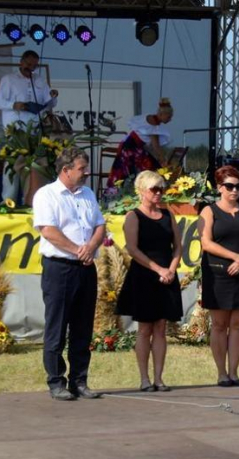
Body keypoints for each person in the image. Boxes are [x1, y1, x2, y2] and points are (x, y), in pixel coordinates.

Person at [32, 147, 104, 401]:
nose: (86, 173)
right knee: (57, 326)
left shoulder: (87, 194)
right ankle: (56, 381)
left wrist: (91, 247)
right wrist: (76, 250)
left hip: (85, 269)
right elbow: (48, 230)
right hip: (59, 268)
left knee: (83, 327)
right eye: (81, 169)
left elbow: (100, 225)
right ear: (66, 170)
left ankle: (79, 380)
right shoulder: (47, 195)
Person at [116, 170, 183, 392]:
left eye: (161, 189)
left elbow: (178, 246)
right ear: (142, 191)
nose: (159, 193)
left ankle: (159, 378)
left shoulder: (167, 214)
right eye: (154, 189)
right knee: (145, 329)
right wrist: (158, 269)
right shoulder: (133, 216)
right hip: (144, 275)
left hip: (167, 276)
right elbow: (132, 249)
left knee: (161, 328)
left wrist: (171, 270)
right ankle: (144, 379)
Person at [200, 165, 239, 387]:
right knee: (219, 324)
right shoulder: (209, 211)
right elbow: (206, 242)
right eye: (229, 186)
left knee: (238, 324)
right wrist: (235, 256)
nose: (234, 191)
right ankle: (221, 373)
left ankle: (234, 372)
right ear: (220, 188)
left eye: (238, 186)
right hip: (218, 273)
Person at [0, 50, 59, 202]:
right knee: (12, 165)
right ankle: (8, 201)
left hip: (35, 129)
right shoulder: (9, 79)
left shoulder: (39, 80)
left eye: (34, 66)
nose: (30, 68)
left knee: (34, 166)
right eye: (28, 64)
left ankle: (29, 200)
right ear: (21, 62)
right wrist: (14, 104)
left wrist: (53, 95)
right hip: (15, 131)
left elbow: (50, 103)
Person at [108, 98, 173, 187]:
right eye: (169, 116)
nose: (170, 119)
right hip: (131, 149)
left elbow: (151, 145)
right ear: (162, 114)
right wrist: (163, 161)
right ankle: (151, 187)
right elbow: (156, 146)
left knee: (131, 171)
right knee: (152, 168)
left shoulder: (150, 118)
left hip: (130, 147)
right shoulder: (153, 124)